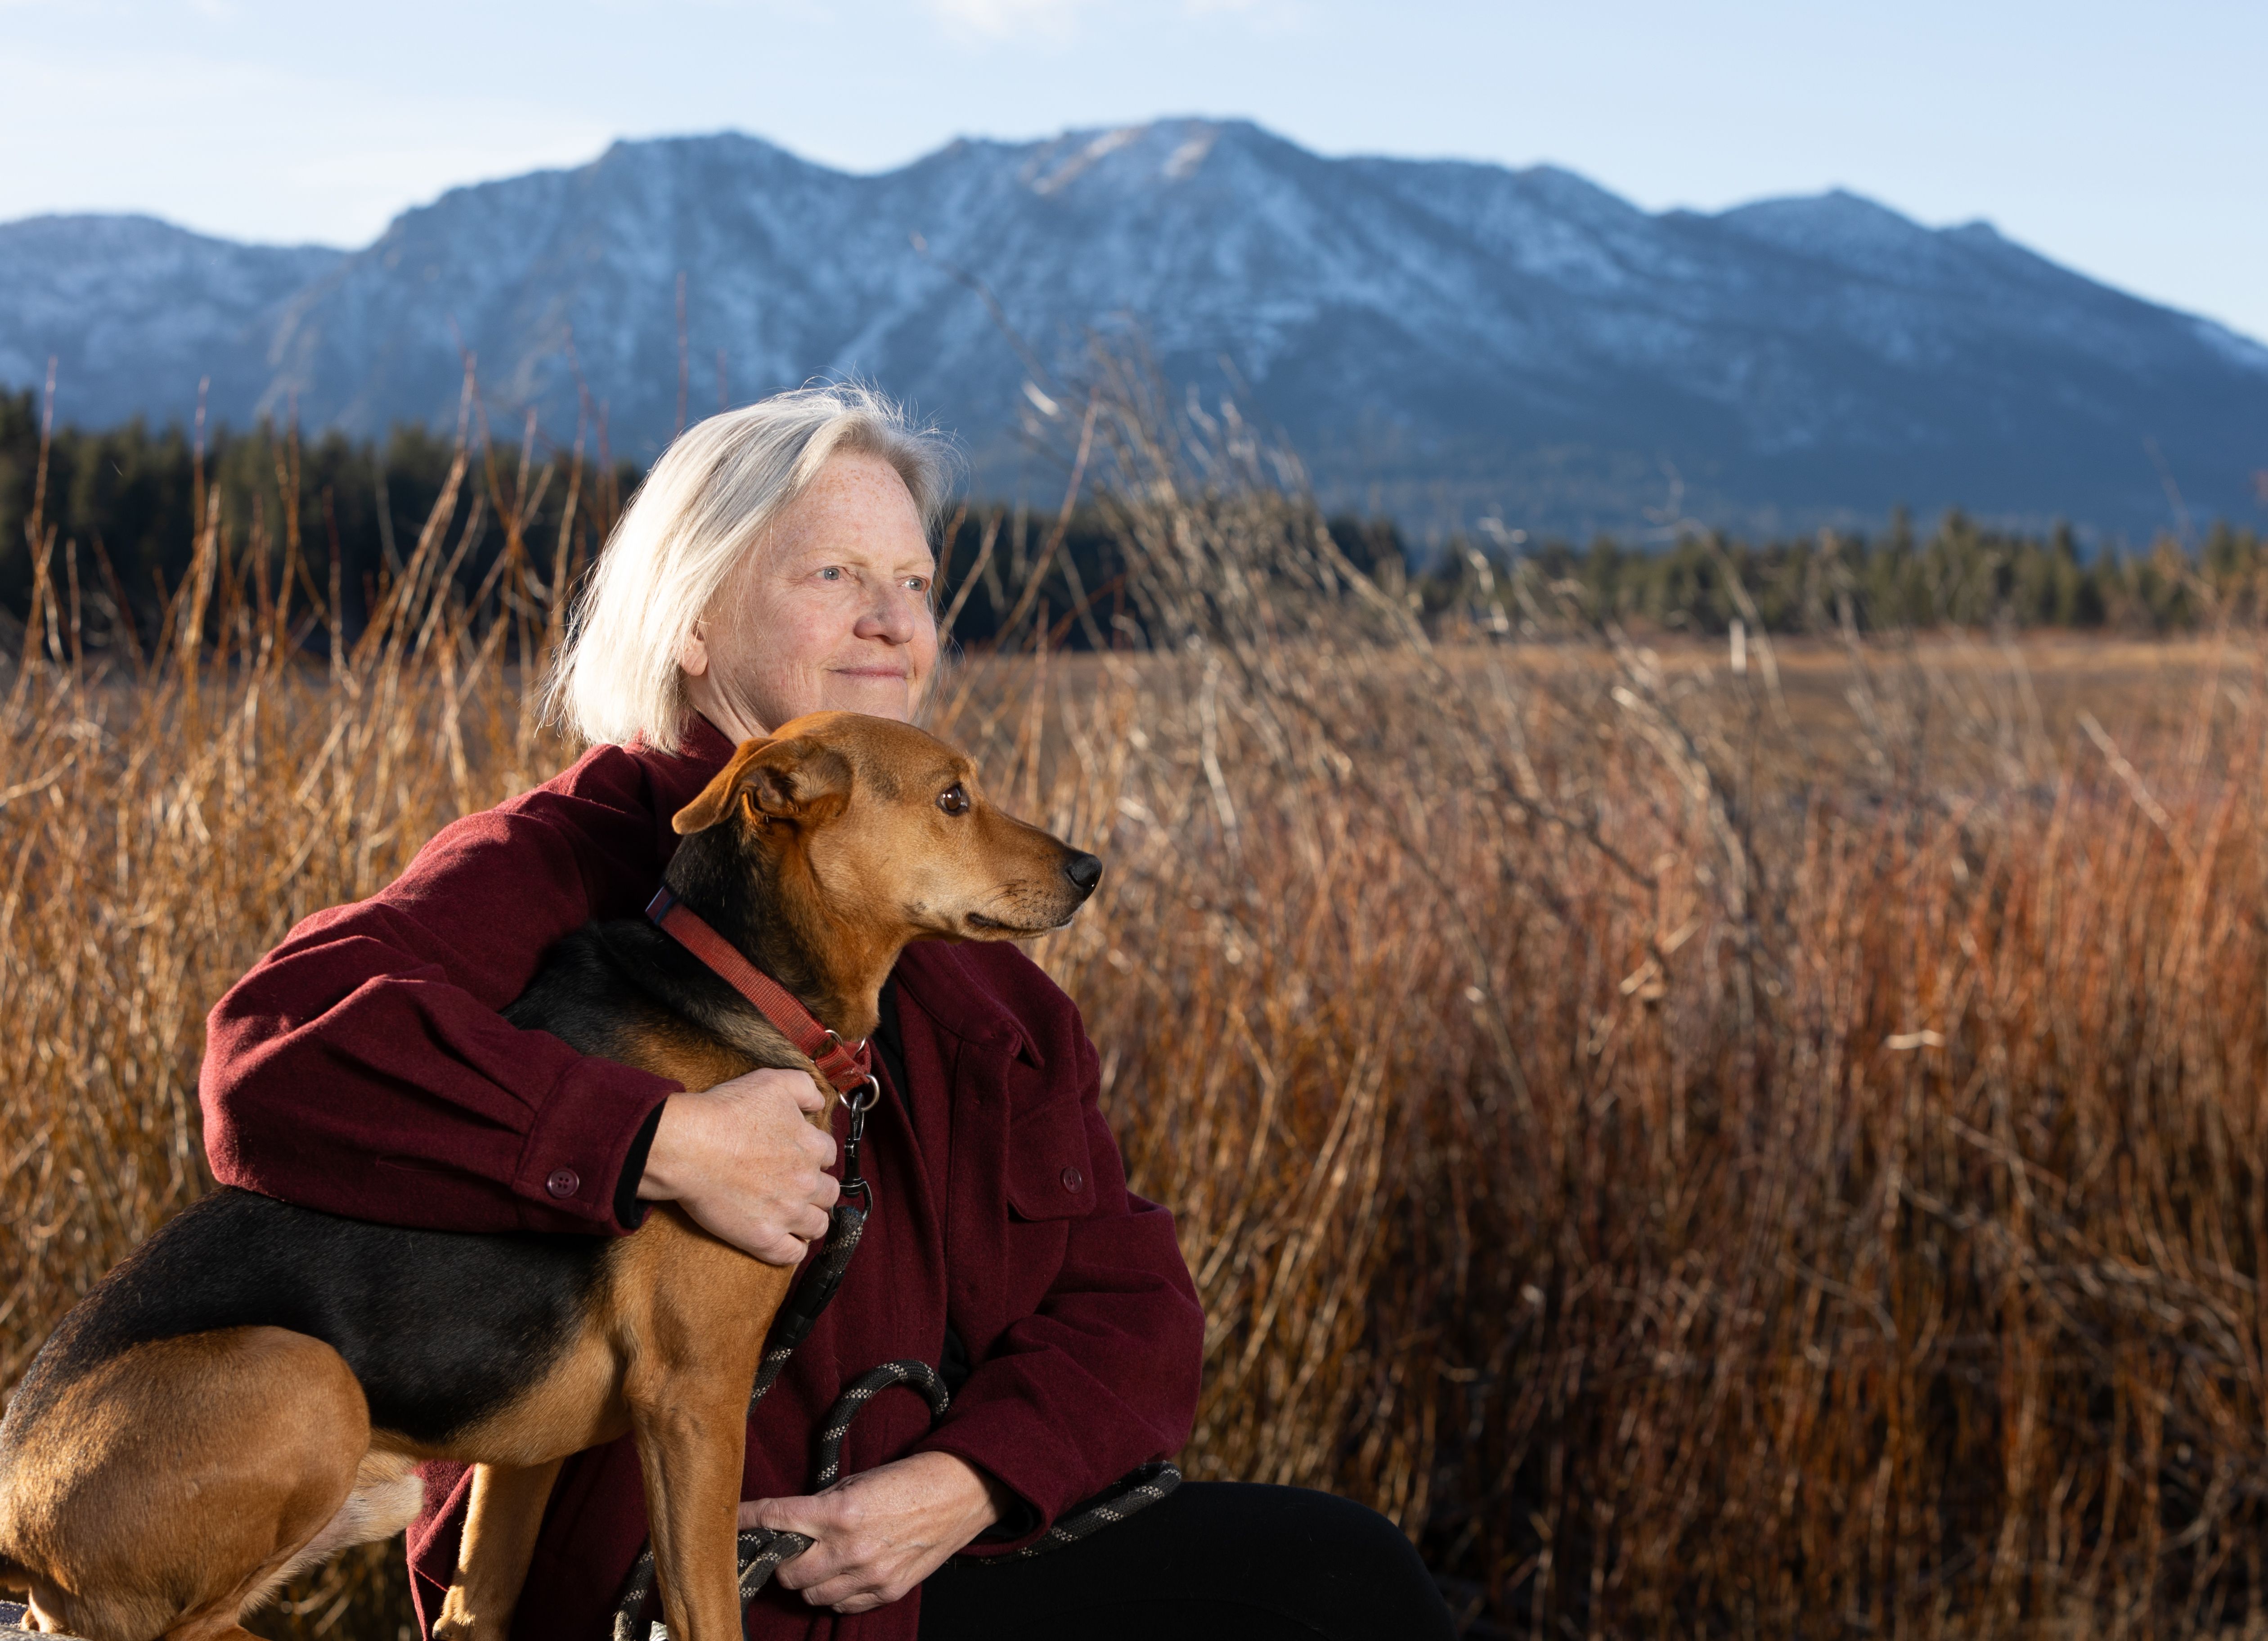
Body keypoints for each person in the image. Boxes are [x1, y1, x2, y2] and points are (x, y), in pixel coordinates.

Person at [200, 386, 1457, 1641]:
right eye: (836, 573)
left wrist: (961, 1485)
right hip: (662, 1592)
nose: (891, 623)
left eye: (914, 583)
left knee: (1344, 1584)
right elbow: (273, 1054)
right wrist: (658, 1142)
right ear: (692, 618)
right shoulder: (563, 861)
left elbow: (1135, 1309)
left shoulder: (989, 982)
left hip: (909, 1574)